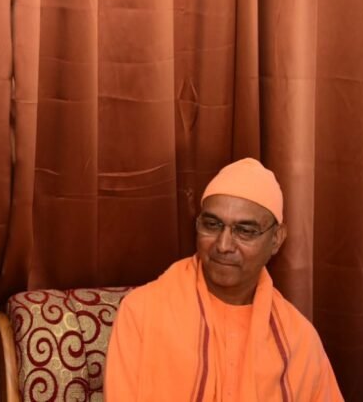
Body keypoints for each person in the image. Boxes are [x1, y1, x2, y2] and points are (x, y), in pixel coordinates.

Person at [105, 158, 343, 401]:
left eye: (245, 231)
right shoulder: (143, 311)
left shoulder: (299, 339)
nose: (223, 245)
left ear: (276, 239)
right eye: (212, 225)